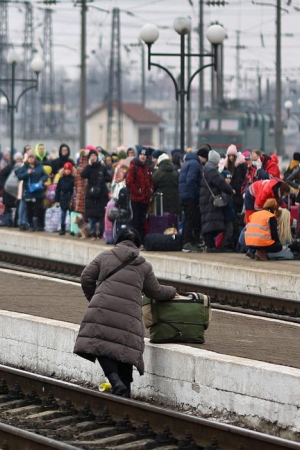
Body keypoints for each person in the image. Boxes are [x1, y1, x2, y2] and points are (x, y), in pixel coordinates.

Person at [73, 227, 176, 398]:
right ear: (138, 245)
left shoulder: (105, 256)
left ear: (118, 241)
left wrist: (95, 299)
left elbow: (86, 277)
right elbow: (156, 292)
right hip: (129, 316)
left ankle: (115, 381)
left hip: (102, 309)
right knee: (125, 350)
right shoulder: (144, 266)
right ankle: (125, 394)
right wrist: (173, 292)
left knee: (99, 344)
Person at [201, 150, 235, 252]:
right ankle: (211, 246)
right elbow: (221, 183)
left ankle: (209, 245)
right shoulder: (212, 170)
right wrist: (230, 190)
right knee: (210, 221)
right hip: (210, 199)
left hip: (204, 197)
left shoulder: (205, 168)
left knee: (208, 221)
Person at [179, 146, 207, 252]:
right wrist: (196, 194)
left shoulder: (188, 162)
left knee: (188, 218)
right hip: (190, 196)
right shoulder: (195, 164)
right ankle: (187, 243)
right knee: (191, 219)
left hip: (184, 195)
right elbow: (191, 180)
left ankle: (188, 241)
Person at [126, 147, 154, 241]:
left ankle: (141, 240)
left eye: (144, 155)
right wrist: (138, 191)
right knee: (136, 220)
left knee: (142, 220)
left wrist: (150, 190)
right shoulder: (134, 166)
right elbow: (129, 182)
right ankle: (135, 240)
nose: (142, 157)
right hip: (136, 199)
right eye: (141, 155)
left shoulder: (147, 167)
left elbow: (150, 181)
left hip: (145, 199)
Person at [16, 152, 49, 231]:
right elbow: (19, 176)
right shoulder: (25, 167)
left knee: (39, 209)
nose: (31, 159)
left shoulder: (39, 166)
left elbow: (45, 175)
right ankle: (30, 225)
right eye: (30, 157)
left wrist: (42, 180)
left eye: (32, 157)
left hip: (38, 191)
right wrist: (27, 173)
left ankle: (40, 225)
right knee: (29, 210)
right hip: (28, 192)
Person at [81, 149, 110, 240]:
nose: (93, 157)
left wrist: (102, 178)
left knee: (101, 215)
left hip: (101, 194)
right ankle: (93, 233)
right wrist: (89, 165)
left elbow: (109, 177)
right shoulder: (89, 168)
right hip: (91, 194)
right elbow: (83, 175)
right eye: (91, 156)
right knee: (91, 216)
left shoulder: (102, 167)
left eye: (94, 156)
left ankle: (101, 233)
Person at [54, 161, 75, 235]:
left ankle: (72, 229)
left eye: (69, 169)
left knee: (71, 214)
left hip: (70, 198)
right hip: (63, 198)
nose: (67, 171)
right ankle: (62, 228)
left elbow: (73, 189)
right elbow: (58, 190)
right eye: (66, 169)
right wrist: (56, 200)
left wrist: (73, 198)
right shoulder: (61, 179)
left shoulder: (73, 179)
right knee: (63, 214)